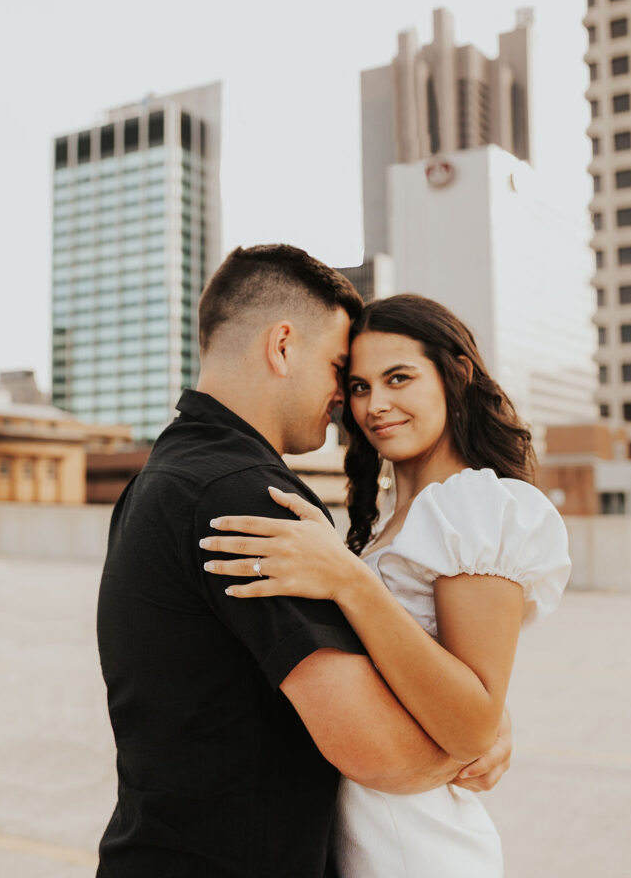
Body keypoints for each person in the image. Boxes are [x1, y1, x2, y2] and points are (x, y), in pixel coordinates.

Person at [96, 246, 511, 878]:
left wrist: (480, 708)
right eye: (341, 369)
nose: (347, 400)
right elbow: (377, 753)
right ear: (283, 346)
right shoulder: (243, 496)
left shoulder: (164, 477)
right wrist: (469, 745)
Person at [200, 292, 572, 877]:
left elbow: (472, 721)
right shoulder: (390, 520)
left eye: (399, 378)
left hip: (419, 849)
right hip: (356, 838)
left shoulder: (474, 507)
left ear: (456, 374)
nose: (376, 405)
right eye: (360, 386)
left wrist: (351, 582)